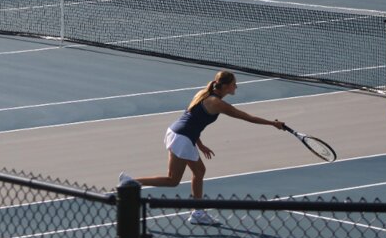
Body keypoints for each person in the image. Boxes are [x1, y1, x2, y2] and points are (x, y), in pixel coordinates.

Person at [118, 71, 285, 225]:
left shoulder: (203, 93)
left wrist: (200, 144)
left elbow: (193, 120)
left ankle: (197, 212)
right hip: (182, 138)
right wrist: (273, 123)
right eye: (234, 84)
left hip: (176, 133)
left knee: (199, 171)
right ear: (226, 86)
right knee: (173, 180)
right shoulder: (217, 103)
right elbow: (246, 117)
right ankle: (130, 183)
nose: (236, 87)